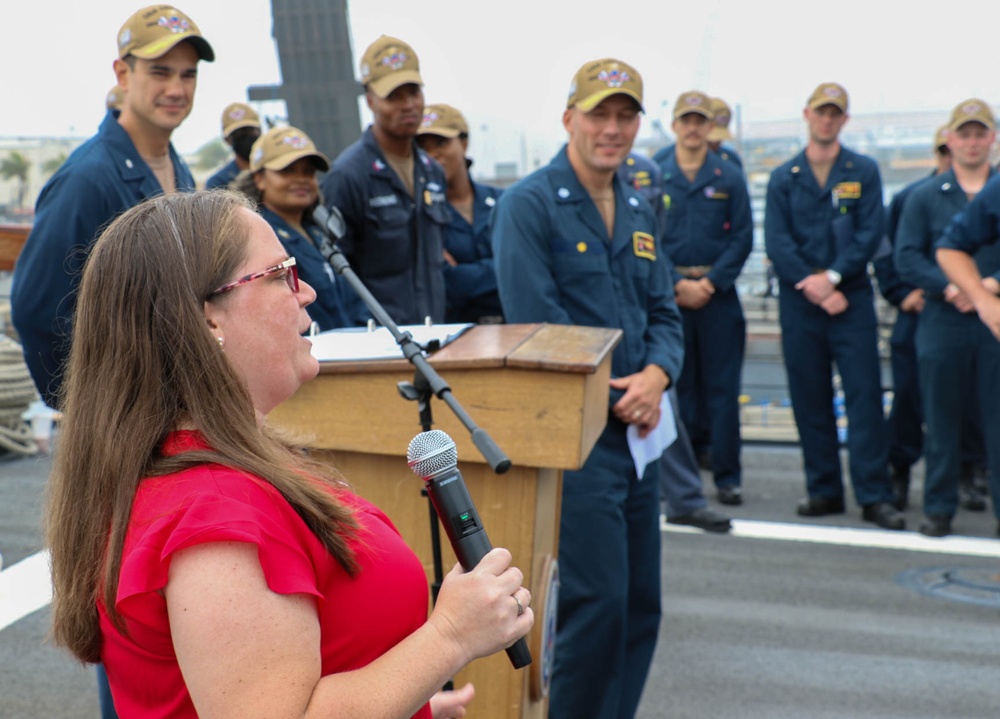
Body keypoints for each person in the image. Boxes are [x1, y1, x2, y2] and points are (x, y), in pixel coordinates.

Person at [45, 189, 533, 719]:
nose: (309, 294)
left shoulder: (227, 468)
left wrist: (411, 702)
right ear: (208, 320)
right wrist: (451, 637)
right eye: (280, 275)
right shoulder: (214, 514)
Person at [9, 6, 215, 716]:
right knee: (135, 643)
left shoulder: (173, 166)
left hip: (176, 431)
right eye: (160, 71)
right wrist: (100, 407)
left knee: (173, 632)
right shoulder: (92, 176)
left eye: (188, 74)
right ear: (121, 74)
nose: (177, 88)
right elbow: (37, 307)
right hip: (129, 441)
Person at [492, 57, 684, 719]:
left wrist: (658, 375)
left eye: (624, 115)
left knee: (639, 603)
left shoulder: (638, 202)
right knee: (596, 603)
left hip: (640, 428)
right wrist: (621, 394)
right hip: (580, 435)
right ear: (568, 118)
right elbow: (538, 325)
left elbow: (664, 310)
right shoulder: (529, 205)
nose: (612, 128)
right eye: (599, 114)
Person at [764, 82, 904, 530]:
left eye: (835, 113)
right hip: (801, 299)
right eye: (820, 112)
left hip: (851, 299)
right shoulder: (784, 177)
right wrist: (815, 283)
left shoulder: (862, 170)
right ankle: (823, 489)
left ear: (844, 119)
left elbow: (870, 232)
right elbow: (777, 241)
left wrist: (835, 277)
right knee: (810, 398)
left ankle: (874, 494)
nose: (827, 120)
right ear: (807, 114)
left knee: (864, 397)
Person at [896, 99, 998, 537]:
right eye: (965, 134)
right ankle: (939, 506)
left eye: (981, 134)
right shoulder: (924, 196)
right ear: (950, 139)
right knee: (940, 418)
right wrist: (950, 286)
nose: (973, 143)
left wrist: (989, 285)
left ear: (992, 139)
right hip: (943, 318)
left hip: (993, 317)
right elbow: (907, 257)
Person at [618, 151, 732, 533]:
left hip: (643, 312)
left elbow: (654, 244)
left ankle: (684, 497)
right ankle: (679, 496)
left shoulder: (647, 173)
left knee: (664, 406)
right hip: (602, 327)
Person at [657, 90, 753, 506]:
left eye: (701, 121)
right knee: (677, 388)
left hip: (718, 296)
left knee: (722, 390)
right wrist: (674, 285)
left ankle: (728, 476)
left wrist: (712, 283)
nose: (693, 128)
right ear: (675, 125)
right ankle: (682, 476)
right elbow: (644, 237)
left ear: (710, 126)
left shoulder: (728, 175)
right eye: (686, 120)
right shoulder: (653, 173)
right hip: (670, 296)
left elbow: (744, 237)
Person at [320, 35, 448, 326]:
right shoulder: (348, 176)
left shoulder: (433, 172)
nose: (409, 105)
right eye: (394, 96)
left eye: (414, 92)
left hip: (435, 334)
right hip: (380, 344)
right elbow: (338, 275)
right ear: (370, 99)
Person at [874, 125, 948, 509]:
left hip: (969, 312)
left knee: (969, 400)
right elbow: (887, 253)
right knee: (906, 395)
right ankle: (899, 467)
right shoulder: (911, 197)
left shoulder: (987, 197)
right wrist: (902, 295)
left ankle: (971, 473)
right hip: (918, 312)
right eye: (943, 151)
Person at [234, 124, 367, 330]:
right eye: (287, 171)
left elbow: (354, 299)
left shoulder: (320, 232)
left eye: (308, 171)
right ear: (259, 179)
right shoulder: (255, 239)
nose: (301, 179)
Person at [416, 103, 504, 324]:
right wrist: (501, 269)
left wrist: (466, 273)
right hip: (456, 336)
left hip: (515, 327)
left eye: (441, 143)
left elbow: (527, 268)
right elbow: (446, 281)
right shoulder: (420, 213)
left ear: (464, 143)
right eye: (422, 148)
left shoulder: (504, 201)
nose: (432, 155)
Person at [205, 102, 262, 190]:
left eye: (250, 130)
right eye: (238, 133)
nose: (246, 136)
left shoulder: (276, 170)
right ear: (227, 140)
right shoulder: (218, 183)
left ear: (260, 131)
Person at [706, 96, 744, 169]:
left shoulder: (731, 159)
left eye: (719, 137)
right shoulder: (679, 161)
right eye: (710, 137)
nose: (715, 142)